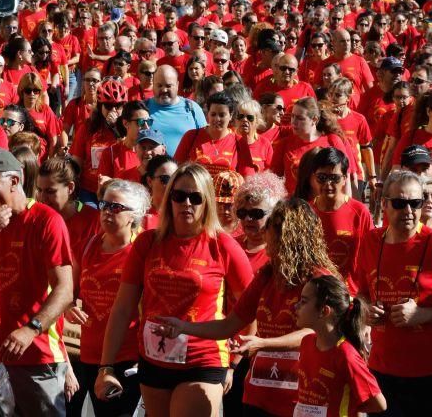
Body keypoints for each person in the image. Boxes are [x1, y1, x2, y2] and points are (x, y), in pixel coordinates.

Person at [94, 163, 254, 417]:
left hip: (202, 358)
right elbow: (123, 308)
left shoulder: (223, 245)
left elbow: (250, 307)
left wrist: (234, 363)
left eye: (195, 197)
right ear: (169, 200)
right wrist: (106, 366)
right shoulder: (148, 242)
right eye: (179, 196)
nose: (186, 203)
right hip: (154, 359)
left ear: (207, 202)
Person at [154, 197, 336, 417]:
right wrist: (183, 327)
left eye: (270, 232)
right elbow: (229, 325)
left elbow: (315, 332)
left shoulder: (320, 279)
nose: (265, 239)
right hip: (259, 394)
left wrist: (263, 344)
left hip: (301, 397)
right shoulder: (267, 275)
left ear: (288, 238)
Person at [355, 170, 432, 416]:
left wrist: (422, 315)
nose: (408, 211)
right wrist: (366, 310)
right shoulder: (370, 241)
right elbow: (361, 293)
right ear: (384, 203)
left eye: (415, 203)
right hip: (382, 366)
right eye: (400, 203)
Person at [0, 148, 74, 415]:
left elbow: (65, 289)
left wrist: (31, 329)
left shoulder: (46, 220)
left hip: (38, 357)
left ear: (14, 181)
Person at [65, 179, 150, 417]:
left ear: (134, 215)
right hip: (90, 354)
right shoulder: (88, 245)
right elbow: (67, 293)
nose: (107, 212)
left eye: (116, 207)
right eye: (104, 205)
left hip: (129, 356)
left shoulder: (143, 250)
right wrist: (69, 307)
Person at [293, 275, 387, 416]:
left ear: (324, 311)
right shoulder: (306, 342)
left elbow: (379, 404)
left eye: (304, 301)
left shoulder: (346, 354)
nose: (296, 305)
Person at [304, 147, 373, 293]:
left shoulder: (360, 212)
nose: (328, 184)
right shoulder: (305, 212)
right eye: (322, 178)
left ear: (345, 178)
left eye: (334, 178)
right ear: (313, 178)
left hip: (350, 294)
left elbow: (371, 257)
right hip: (314, 293)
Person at [269, 97, 356, 194]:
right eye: (292, 116)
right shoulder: (284, 144)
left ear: (314, 119)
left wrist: (345, 204)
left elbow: (345, 178)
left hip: (325, 204)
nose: (293, 122)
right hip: (296, 206)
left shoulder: (332, 140)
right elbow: (274, 180)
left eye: (300, 118)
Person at [70, 78, 129, 202]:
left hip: (119, 190)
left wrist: (115, 128)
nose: (113, 111)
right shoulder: (88, 127)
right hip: (90, 189)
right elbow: (77, 162)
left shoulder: (128, 127)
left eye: (118, 106)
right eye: (108, 106)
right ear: (101, 106)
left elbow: (129, 154)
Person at [37, 155, 101, 266]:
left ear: (70, 188)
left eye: (50, 191)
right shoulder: (36, 220)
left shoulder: (94, 220)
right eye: (39, 190)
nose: (42, 198)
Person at [175, 91, 246, 175]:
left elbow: (246, 176)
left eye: (222, 115)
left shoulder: (239, 142)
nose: (217, 119)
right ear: (208, 114)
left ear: (231, 116)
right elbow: (176, 169)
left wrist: (235, 180)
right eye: (213, 114)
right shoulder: (191, 136)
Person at [145, 65, 206, 155]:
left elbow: (204, 143)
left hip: (184, 168)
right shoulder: (143, 108)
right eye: (159, 85)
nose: (164, 90)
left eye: (168, 86)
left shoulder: (192, 108)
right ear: (153, 85)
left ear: (177, 85)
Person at [98, 100, 151, 183]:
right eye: (141, 122)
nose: (147, 127)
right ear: (126, 123)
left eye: (149, 122)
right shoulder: (110, 153)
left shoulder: (152, 153)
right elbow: (102, 192)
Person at [138, 155, 177, 232]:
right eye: (165, 179)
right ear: (149, 181)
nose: (171, 184)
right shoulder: (139, 215)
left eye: (175, 179)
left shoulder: (182, 214)